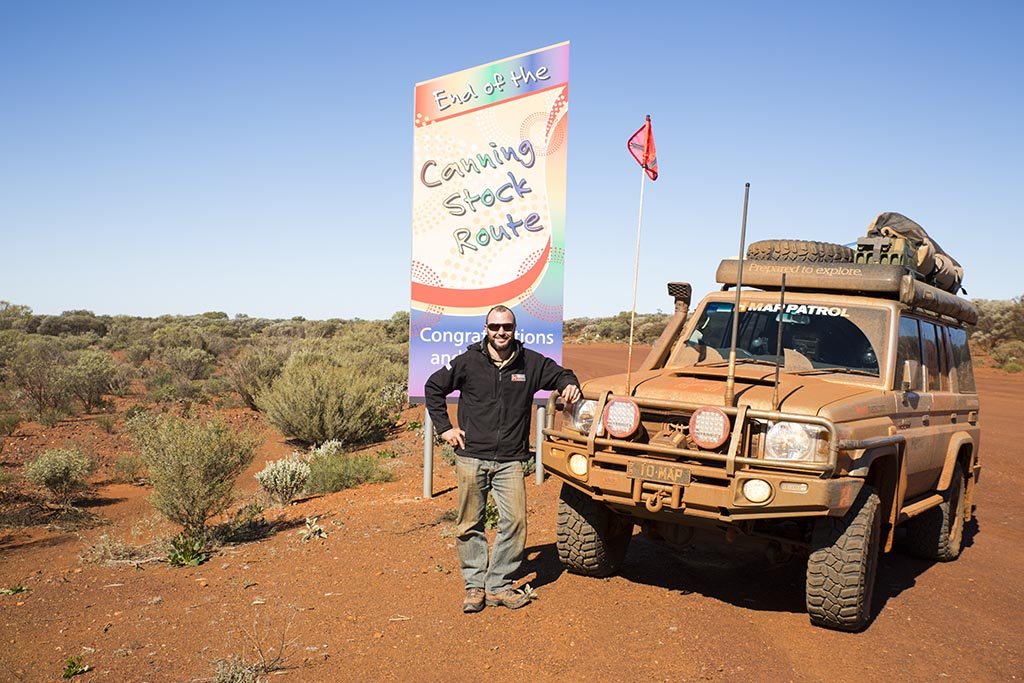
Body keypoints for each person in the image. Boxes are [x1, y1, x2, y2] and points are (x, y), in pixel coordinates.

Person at [425, 305, 581, 613]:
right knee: (470, 522)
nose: (501, 332)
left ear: (514, 328)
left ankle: (496, 584)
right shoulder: (469, 362)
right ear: (486, 328)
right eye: (495, 326)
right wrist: (445, 429)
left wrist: (569, 385)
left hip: (510, 460)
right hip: (471, 457)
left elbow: (562, 374)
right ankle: (474, 585)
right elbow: (433, 388)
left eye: (506, 327)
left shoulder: (530, 362)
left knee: (516, 521)